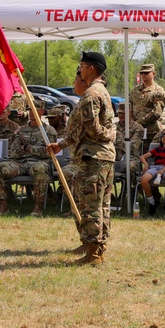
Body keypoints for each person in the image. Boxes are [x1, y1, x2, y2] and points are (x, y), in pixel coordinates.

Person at [47, 51, 116, 265]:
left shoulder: (92, 94)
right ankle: (94, 245)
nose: (80, 70)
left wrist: (109, 135)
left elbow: (92, 129)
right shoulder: (100, 91)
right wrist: (62, 144)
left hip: (93, 156)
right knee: (100, 204)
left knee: (91, 205)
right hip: (100, 156)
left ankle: (94, 253)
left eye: (82, 66)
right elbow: (80, 130)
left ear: (91, 69)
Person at [0, 102, 57, 217]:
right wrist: (34, 149)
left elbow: (47, 152)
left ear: (41, 112)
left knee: (40, 169)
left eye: (34, 110)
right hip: (19, 162)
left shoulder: (49, 131)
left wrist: (27, 147)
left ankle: (38, 207)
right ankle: (3, 205)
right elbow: (14, 150)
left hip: (39, 162)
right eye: (29, 110)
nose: (31, 113)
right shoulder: (21, 130)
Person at [139, 129, 165, 217]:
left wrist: (163, 170)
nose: (164, 136)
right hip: (155, 167)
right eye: (163, 134)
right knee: (144, 179)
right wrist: (146, 164)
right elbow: (142, 157)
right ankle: (152, 202)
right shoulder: (157, 149)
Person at [129, 63, 165, 149]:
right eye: (142, 73)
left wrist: (139, 122)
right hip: (136, 130)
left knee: (150, 157)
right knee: (135, 154)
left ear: (153, 73)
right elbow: (129, 104)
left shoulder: (158, 91)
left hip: (152, 131)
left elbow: (156, 112)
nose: (143, 75)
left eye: (146, 73)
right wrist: (131, 119)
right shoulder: (135, 90)